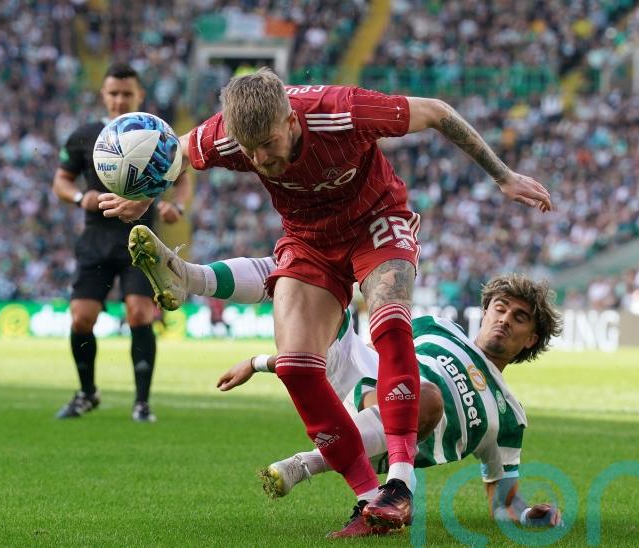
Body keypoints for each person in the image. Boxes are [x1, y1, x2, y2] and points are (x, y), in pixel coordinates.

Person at [99, 68, 552, 528]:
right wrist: (145, 192)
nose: (259, 159)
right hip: (310, 238)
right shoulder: (225, 138)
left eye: (269, 145)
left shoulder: (343, 112)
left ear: (293, 121)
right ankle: (371, 498)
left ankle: (399, 482)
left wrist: (503, 175)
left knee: (391, 322)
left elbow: (437, 112)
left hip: (377, 222)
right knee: (297, 366)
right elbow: (173, 152)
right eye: (248, 149)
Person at [216, 273, 564, 537]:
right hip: (367, 384)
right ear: (485, 310)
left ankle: (304, 465)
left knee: (425, 397)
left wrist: (527, 511)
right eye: (500, 309)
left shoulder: (509, 417)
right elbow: (372, 352)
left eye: (519, 317)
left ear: (531, 339)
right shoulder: (438, 328)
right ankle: (190, 276)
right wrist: (257, 362)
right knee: (320, 290)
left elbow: (504, 503)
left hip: (396, 440)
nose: (504, 319)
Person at [52, 63, 190, 422]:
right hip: (95, 237)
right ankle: (86, 393)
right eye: (113, 93)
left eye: (127, 94)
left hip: (140, 240)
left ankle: (142, 403)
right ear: (104, 95)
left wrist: (177, 205)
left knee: (140, 313)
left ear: (139, 95)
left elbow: (183, 174)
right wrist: (78, 197)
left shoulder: (156, 134)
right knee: (81, 318)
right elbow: (61, 182)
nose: (119, 100)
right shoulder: (84, 135)